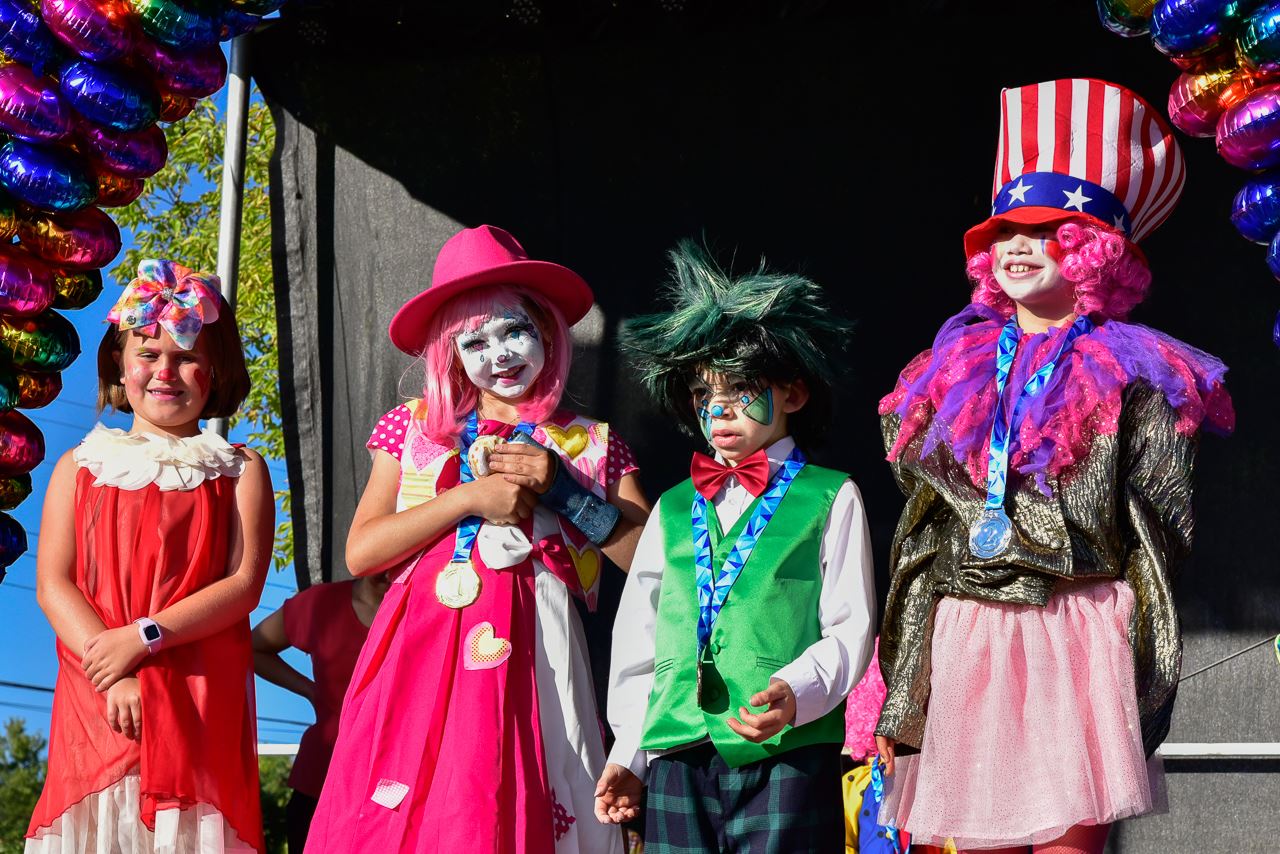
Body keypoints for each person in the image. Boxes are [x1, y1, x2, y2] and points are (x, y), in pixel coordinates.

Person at [873, 79, 1234, 854]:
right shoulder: (947, 370)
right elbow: (923, 536)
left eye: (1046, 228)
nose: (1016, 244)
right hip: (970, 628)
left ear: (1093, 246)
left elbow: (1159, 528)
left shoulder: (1140, 373)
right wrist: (904, 692)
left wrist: (1135, 655)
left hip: (1076, 626)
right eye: (1003, 229)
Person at [305, 224, 650, 854]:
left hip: (538, 645)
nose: (499, 354)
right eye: (474, 341)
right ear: (450, 355)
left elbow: (651, 564)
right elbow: (361, 551)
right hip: (422, 645)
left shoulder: (591, 441)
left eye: (513, 330)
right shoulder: (412, 427)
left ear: (546, 329)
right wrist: (465, 498)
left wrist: (568, 495)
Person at [596, 242, 876, 853]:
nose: (718, 409)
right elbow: (638, 638)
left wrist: (795, 693)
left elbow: (851, 626)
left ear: (794, 395)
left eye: (741, 389)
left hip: (785, 754)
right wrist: (630, 755)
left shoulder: (831, 496)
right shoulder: (671, 508)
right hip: (677, 753)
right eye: (702, 395)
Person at [26, 260, 273, 852]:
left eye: (187, 355)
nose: (167, 371)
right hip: (100, 700)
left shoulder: (239, 469)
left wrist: (144, 638)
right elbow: (54, 584)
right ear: (119, 361)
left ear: (216, 371)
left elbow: (243, 584)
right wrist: (113, 670)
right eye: (149, 353)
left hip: (196, 705)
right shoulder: (79, 467)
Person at [251, 571, 390, 853]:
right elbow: (254, 648)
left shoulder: (431, 603)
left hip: (395, 785)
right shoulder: (322, 603)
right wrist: (311, 690)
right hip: (321, 780)